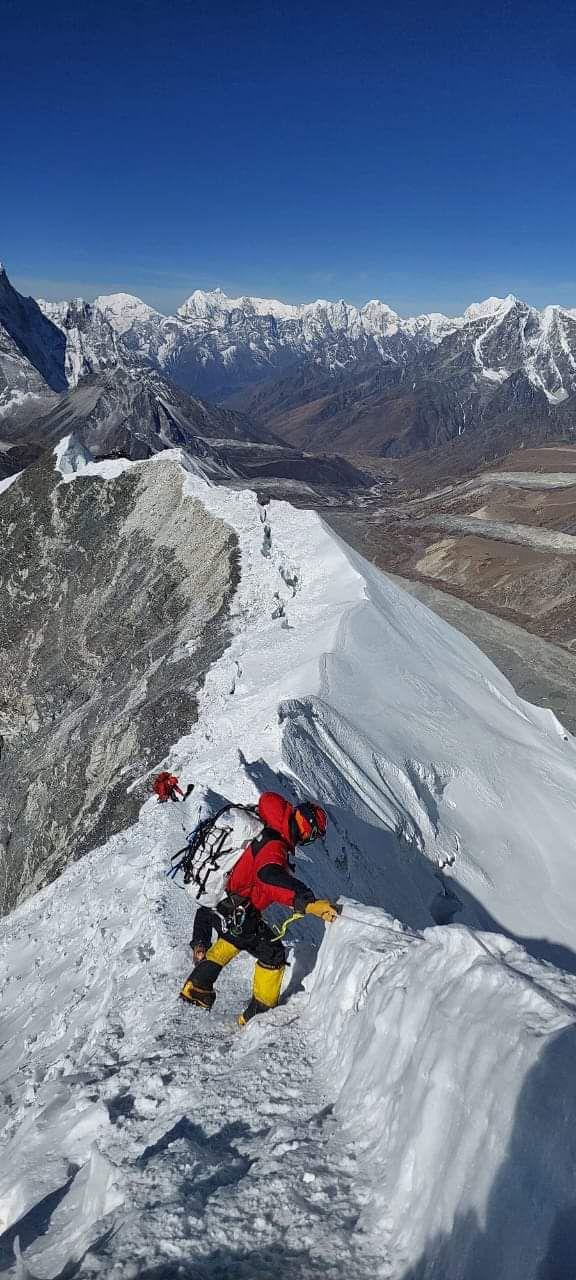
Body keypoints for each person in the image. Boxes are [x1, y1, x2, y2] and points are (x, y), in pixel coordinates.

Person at [180, 790, 339, 1025]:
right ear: (307, 826)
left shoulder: (267, 830)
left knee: (234, 939)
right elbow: (269, 876)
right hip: (237, 909)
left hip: (227, 903)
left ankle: (197, 987)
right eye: (313, 834)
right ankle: (258, 1015)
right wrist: (305, 901)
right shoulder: (275, 844)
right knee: (273, 954)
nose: (309, 840)